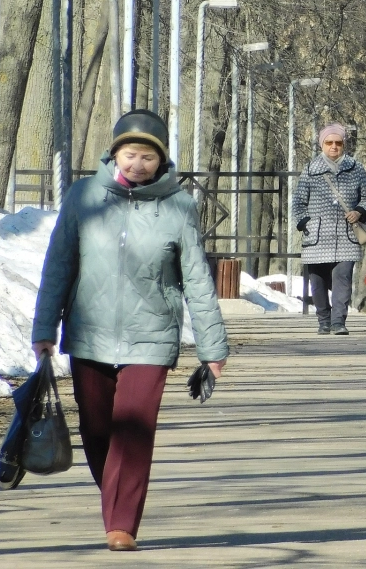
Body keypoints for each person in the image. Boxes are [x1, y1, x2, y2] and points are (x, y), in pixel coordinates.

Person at [31, 109, 228, 552]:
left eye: (148, 157)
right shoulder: (84, 196)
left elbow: (197, 277)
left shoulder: (178, 205)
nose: (137, 164)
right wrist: (44, 328)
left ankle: (122, 523)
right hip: (89, 331)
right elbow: (59, 266)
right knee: (98, 429)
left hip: (152, 334)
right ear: (115, 153)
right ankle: (115, 500)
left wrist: (212, 347)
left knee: (135, 427)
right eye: (130, 154)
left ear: (161, 161)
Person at [293, 123, 366, 335]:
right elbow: (299, 202)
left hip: (347, 235)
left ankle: (339, 321)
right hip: (317, 235)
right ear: (322, 145)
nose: (334, 147)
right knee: (317, 280)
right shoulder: (311, 170)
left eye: (338, 143)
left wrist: (359, 211)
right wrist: (304, 222)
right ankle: (324, 320)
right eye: (329, 143)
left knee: (343, 278)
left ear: (344, 145)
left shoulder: (355, 168)